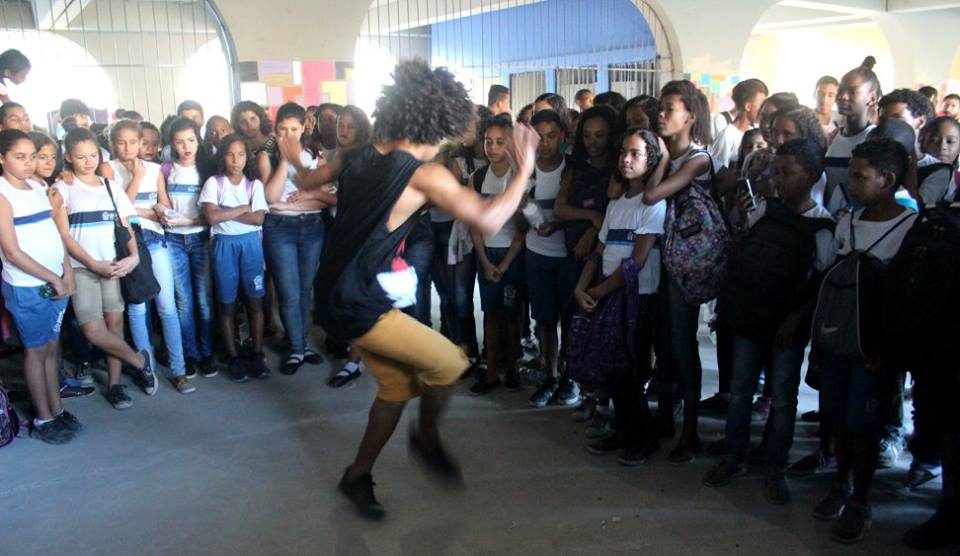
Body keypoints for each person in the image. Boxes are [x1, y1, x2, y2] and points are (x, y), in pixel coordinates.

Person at [291, 60, 537, 520]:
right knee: (451, 362)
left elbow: (308, 182)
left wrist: (290, 152)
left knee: (397, 386)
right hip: (359, 302)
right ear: (437, 124)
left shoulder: (357, 154)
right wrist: (524, 170)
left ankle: (357, 475)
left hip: (331, 294)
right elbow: (488, 218)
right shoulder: (423, 174)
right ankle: (425, 439)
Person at [703, 138, 835, 505]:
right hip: (751, 316)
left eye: (787, 172)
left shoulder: (821, 225)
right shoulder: (765, 211)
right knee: (741, 389)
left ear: (811, 176)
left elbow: (820, 281)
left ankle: (775, 462)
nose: (778, 179)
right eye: (776, 171)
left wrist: (797, 318)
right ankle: (734, 455)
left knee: (782, 396)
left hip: (785, 326)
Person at [811, 139, 917, 544]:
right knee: (838, 413)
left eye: (861, 176)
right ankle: (840, 482)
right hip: (840, 337)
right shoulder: (848, 221)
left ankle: (861, 498)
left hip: (874, 347)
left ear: (887, 180)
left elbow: (905, 297)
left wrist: (889, 348)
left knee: (865, 422)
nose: (851, 184)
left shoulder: (908, 227)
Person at [571, 127, 665, 465]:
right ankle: (625, 430)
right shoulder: (617, 203)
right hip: (608, 294)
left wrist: (598, 289)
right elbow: (600, 250)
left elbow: (635, 262)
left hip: (637, 298)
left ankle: (644, 438)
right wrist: (582, 286)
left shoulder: (652, 204)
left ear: (651, 160)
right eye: (623, 153)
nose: (626, 160)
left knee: (632, 370)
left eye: (635, 154)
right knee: (615, 369)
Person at [51, 128, 156, 409]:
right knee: (93, 331)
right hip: (83, 268)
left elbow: (126, 225)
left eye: (93, 155)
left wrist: (133, 256)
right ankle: (138, 361)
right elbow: (64, 235)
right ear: (68, 157)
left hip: (113, 266)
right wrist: (91, 263)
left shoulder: (110, 186)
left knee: (114, 326)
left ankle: (115, 384)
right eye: (80, 156)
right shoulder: (63, 188)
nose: (88, 161)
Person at [642, 80, 716, 464]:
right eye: (661, 108)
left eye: (669, 109)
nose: (661, 115)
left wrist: (666, 159)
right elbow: (648, 193)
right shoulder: (672, 157)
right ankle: (667, 417)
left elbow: (653, 195)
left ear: (690, 116)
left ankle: (691, 431)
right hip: (665, 258)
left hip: (687, 265)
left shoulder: (699, 159)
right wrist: (664, 157)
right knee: (665, 341)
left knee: (685, 344)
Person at [100, 119, 194, 394]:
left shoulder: (155, 169)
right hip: (127, 242)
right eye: (121, 142)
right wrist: (138, 181)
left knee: (167, 305)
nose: (128, 147)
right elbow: (118, 209)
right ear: (112, 144)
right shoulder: (109, 168)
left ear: (141, 142)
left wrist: (152, 210)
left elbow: (164, 206)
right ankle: (146, 369)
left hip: (154, 238)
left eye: (133, 141)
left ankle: (179, 369)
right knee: (137, 307)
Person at [0, 129, 77, 443]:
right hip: (28, 286)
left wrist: (67, 271)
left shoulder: (38, 186)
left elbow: (55, 234)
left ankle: (57, 411)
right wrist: (53, 277)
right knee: (35, 351)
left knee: (50, 348)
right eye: (20, 157)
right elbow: (12, 251)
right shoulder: (2, 194)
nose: (29, 163)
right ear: (2, 158)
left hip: (56, 281)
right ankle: (43, 418)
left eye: (33, 155)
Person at [554, 105, 620, 412]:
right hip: (572, 253)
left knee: (600, 325)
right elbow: (560, 208)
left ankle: (600, 392)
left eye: (600, 135)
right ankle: (573, 380)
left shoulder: (618, 172)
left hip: (603, 256)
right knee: (571, 319)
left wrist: (594, 232)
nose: (593, 141)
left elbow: (615, 215)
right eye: (588, 135)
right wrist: (591, 217)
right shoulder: (575, 168)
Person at [260, 102, 334, 375]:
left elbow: (328, 198)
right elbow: (271, 197)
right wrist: (286, 160)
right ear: (275, 130)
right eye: (282, 130)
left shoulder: (316, 155)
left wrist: (309, 197)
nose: (289, 135)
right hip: (280, 228)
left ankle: (301, 344)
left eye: (294, 129)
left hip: (312, 227)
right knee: (288, 292)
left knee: (305, 290)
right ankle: (296, 348)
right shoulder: (266, 157)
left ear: (304, 127)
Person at [200, 134, 270, 383]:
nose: (235, 160)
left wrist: (224, 213)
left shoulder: (254, 185)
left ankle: (257, 353)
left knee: (255, 302)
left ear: (247, 157)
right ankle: (233, 356)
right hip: (224, 246)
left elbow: (258, 219)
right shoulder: (214, 183)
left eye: (241, 154)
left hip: (250, 245)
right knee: (227, 304)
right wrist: (242, 208)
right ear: (222, 156)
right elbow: (211, 218)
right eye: (230, 154)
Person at [467, 115, 526, 396]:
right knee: (490, 314)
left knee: (512, 315)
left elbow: (522, 228)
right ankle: (491, 371)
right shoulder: (477, 178)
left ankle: (512, 367)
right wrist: (486, 260)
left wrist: (504, 262)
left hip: (512, 255)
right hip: (487, 255)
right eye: (488, 141)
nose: (492, 147)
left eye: (500, 142)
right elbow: (474, 223)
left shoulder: (518, 177)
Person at [525, 109, 576, 407]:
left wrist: (556, 224)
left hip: (566, 255)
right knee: (545, 319)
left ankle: (571, 377)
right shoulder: (526, 169)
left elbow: (576, 209)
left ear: (563, 137)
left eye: (551, 136)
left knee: (569, 320)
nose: (545, 143)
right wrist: (537, 223)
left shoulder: (572, 169)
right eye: (539, 137)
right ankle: (551, 376)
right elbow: (522, 202)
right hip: (536, 253)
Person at [161, 117, 216, 378]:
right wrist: (164, 213)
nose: (186, 146)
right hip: (173, 240)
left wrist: (190, 221)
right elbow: (158, 203)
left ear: (198, 140)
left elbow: (215, 211)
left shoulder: (208, 170)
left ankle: (208, 353)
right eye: (180, 142)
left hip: (201, 238)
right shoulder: (164, 170)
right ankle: (191, 353)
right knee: (184, 301)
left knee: (204, 301)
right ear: (171, 144)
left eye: (191, 140)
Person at [823, 59, 882, 216]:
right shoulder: (833, 137)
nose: (843, 97)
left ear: (872, 98)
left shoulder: (874, 139)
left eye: (852, 92)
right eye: (841, 91)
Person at [710, 79, 768, 169]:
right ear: (748, 106)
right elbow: (718, 172)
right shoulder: (727, 136)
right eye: (761, 105)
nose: (763, 110)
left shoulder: (756, 132)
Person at [814, 76, 841, 144]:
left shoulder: (840, 119)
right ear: (814, 95)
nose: (824, 100)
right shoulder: (805, 121)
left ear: (836, 98)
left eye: (830, 95)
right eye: (821, 94)